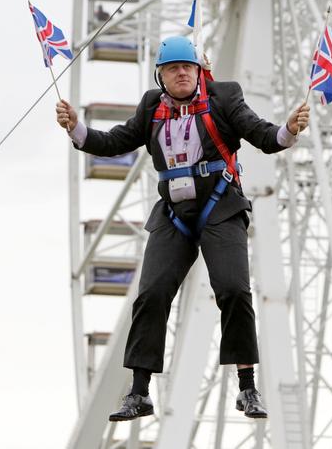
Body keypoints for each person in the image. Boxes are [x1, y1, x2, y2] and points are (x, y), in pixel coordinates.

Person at [56, 35, 310, 421]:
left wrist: (288, 130)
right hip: (174, 213)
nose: (182, 74)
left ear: (199, 71)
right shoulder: (151, 108)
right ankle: (139, 392)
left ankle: (247, 387)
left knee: (233, 289)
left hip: (220, 207)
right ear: (161, 76)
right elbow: (113, 142)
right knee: (151, 293)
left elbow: (260, 134)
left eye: (188, 68)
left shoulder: (224, 97)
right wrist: (77, 128)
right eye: (173, 69)